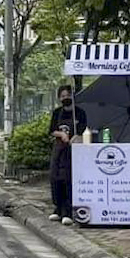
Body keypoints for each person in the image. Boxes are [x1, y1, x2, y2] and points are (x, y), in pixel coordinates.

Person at [48, 84, 87, 225]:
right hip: (58, 149)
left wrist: (75, 137)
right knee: (55, 177)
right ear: (59, 98)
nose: (66, 98)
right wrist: (61, 134)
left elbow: (82, 129)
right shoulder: (57, 112)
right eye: (63, 96)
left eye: (68, 95)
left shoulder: (80, 113)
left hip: (73, 151)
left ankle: (68, 211)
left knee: (68, 179)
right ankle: (57, 208)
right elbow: (52, 130)